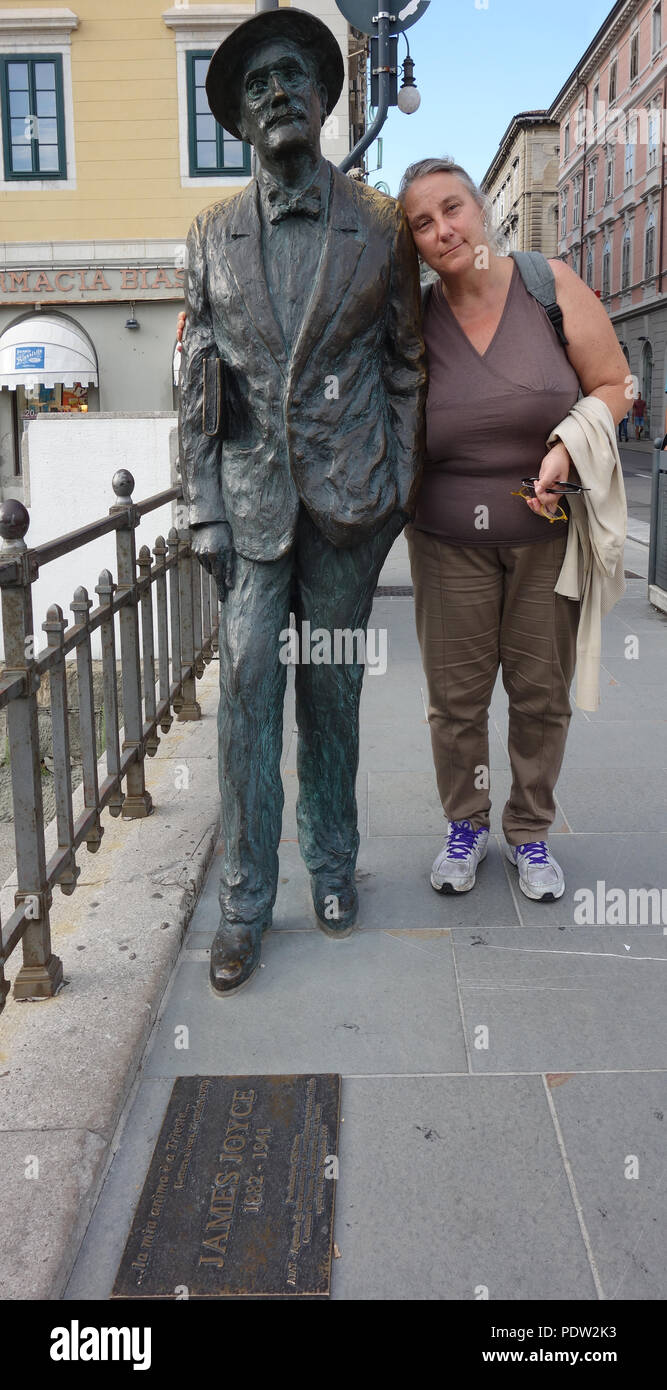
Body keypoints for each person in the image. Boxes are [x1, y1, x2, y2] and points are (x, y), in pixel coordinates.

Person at [178, 9, 426, 993]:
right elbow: (193, 380)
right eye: (256, 84)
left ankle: (332, 867)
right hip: (247, 510)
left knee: (331, 696)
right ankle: (244, 897)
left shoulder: (380, 226)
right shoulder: (208, 236)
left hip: (348, 510)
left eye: (294, 76)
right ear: (238, 119)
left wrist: (398, 481)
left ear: (324, 99)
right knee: (245, 700)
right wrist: (201, 504)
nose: (277, 91)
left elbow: (407, 361)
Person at [398, 158, 628, 902]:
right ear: (413, 243)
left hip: (545, 539)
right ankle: (464, 825)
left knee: (539, 695)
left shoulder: (548, 284)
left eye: (452, 208)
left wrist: (565, 449)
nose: (443, 231)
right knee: (456, 700)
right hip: (444, 542)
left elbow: (614, 385)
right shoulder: (413, 316)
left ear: (480, 207)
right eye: (422, 224)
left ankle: (528, 833)